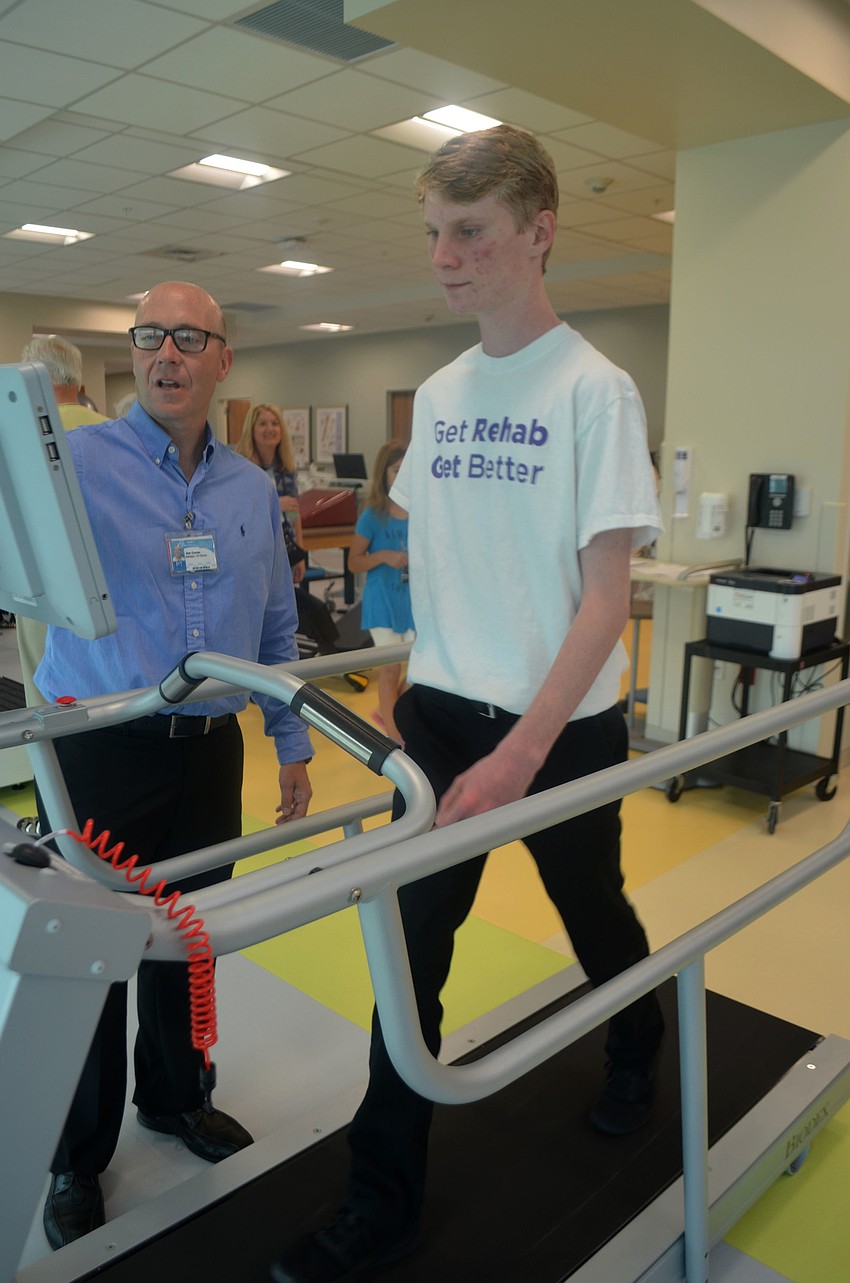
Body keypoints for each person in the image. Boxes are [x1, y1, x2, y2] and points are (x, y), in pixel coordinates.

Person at [270, 124, 664, 1283]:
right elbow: (432, 571)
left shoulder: (597, 390)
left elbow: (604, 601)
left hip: (562, 722)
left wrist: (522, 754)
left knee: (592, 906)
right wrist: (403, 694)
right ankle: (378, 1199)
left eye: (469, 232)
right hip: (443, 715)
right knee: (414, 948)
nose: (443, 257)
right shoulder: (438, 399)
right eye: (434, 232)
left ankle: (638, 1037)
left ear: (537, 233)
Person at [35, 281, 314, 1251]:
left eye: (186, 337)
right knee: (93, 957)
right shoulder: (76, 457)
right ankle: (75, 1152)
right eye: (148, 335)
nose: (164, 353)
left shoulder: (248, 486)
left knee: (185, 935)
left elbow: (277, 626)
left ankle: (176, 1097)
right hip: (100, 748)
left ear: (222, 359)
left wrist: (291, 743)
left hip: (209, 753)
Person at [16, 336, 109, 707]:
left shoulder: (19, 435)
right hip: (102, 580)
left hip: (40, 584)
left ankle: (50, 763)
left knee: (44, 695)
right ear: (80, 385)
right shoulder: (114, 433)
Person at [347, 440, 414, 742]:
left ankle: (387, 712)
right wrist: (384, 556)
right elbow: (354, 562)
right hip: (382, 602)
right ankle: (395, 737)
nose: (402, 475)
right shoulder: (373, 515)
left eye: (406, 469)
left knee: (420, 672)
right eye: (397, 470)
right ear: (384, 473)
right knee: (390, 671)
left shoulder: (420, 511)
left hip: (413, 601)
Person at [236, 403, 306, 585]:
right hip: (253, 552)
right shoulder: (241, 469)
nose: (270, 429)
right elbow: (237, 512)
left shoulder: (286, 469)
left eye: (275, 424)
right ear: (251, 430)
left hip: (284, 549)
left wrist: (301, 553)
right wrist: (275, 505)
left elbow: (293, 513)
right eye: (263, 424)